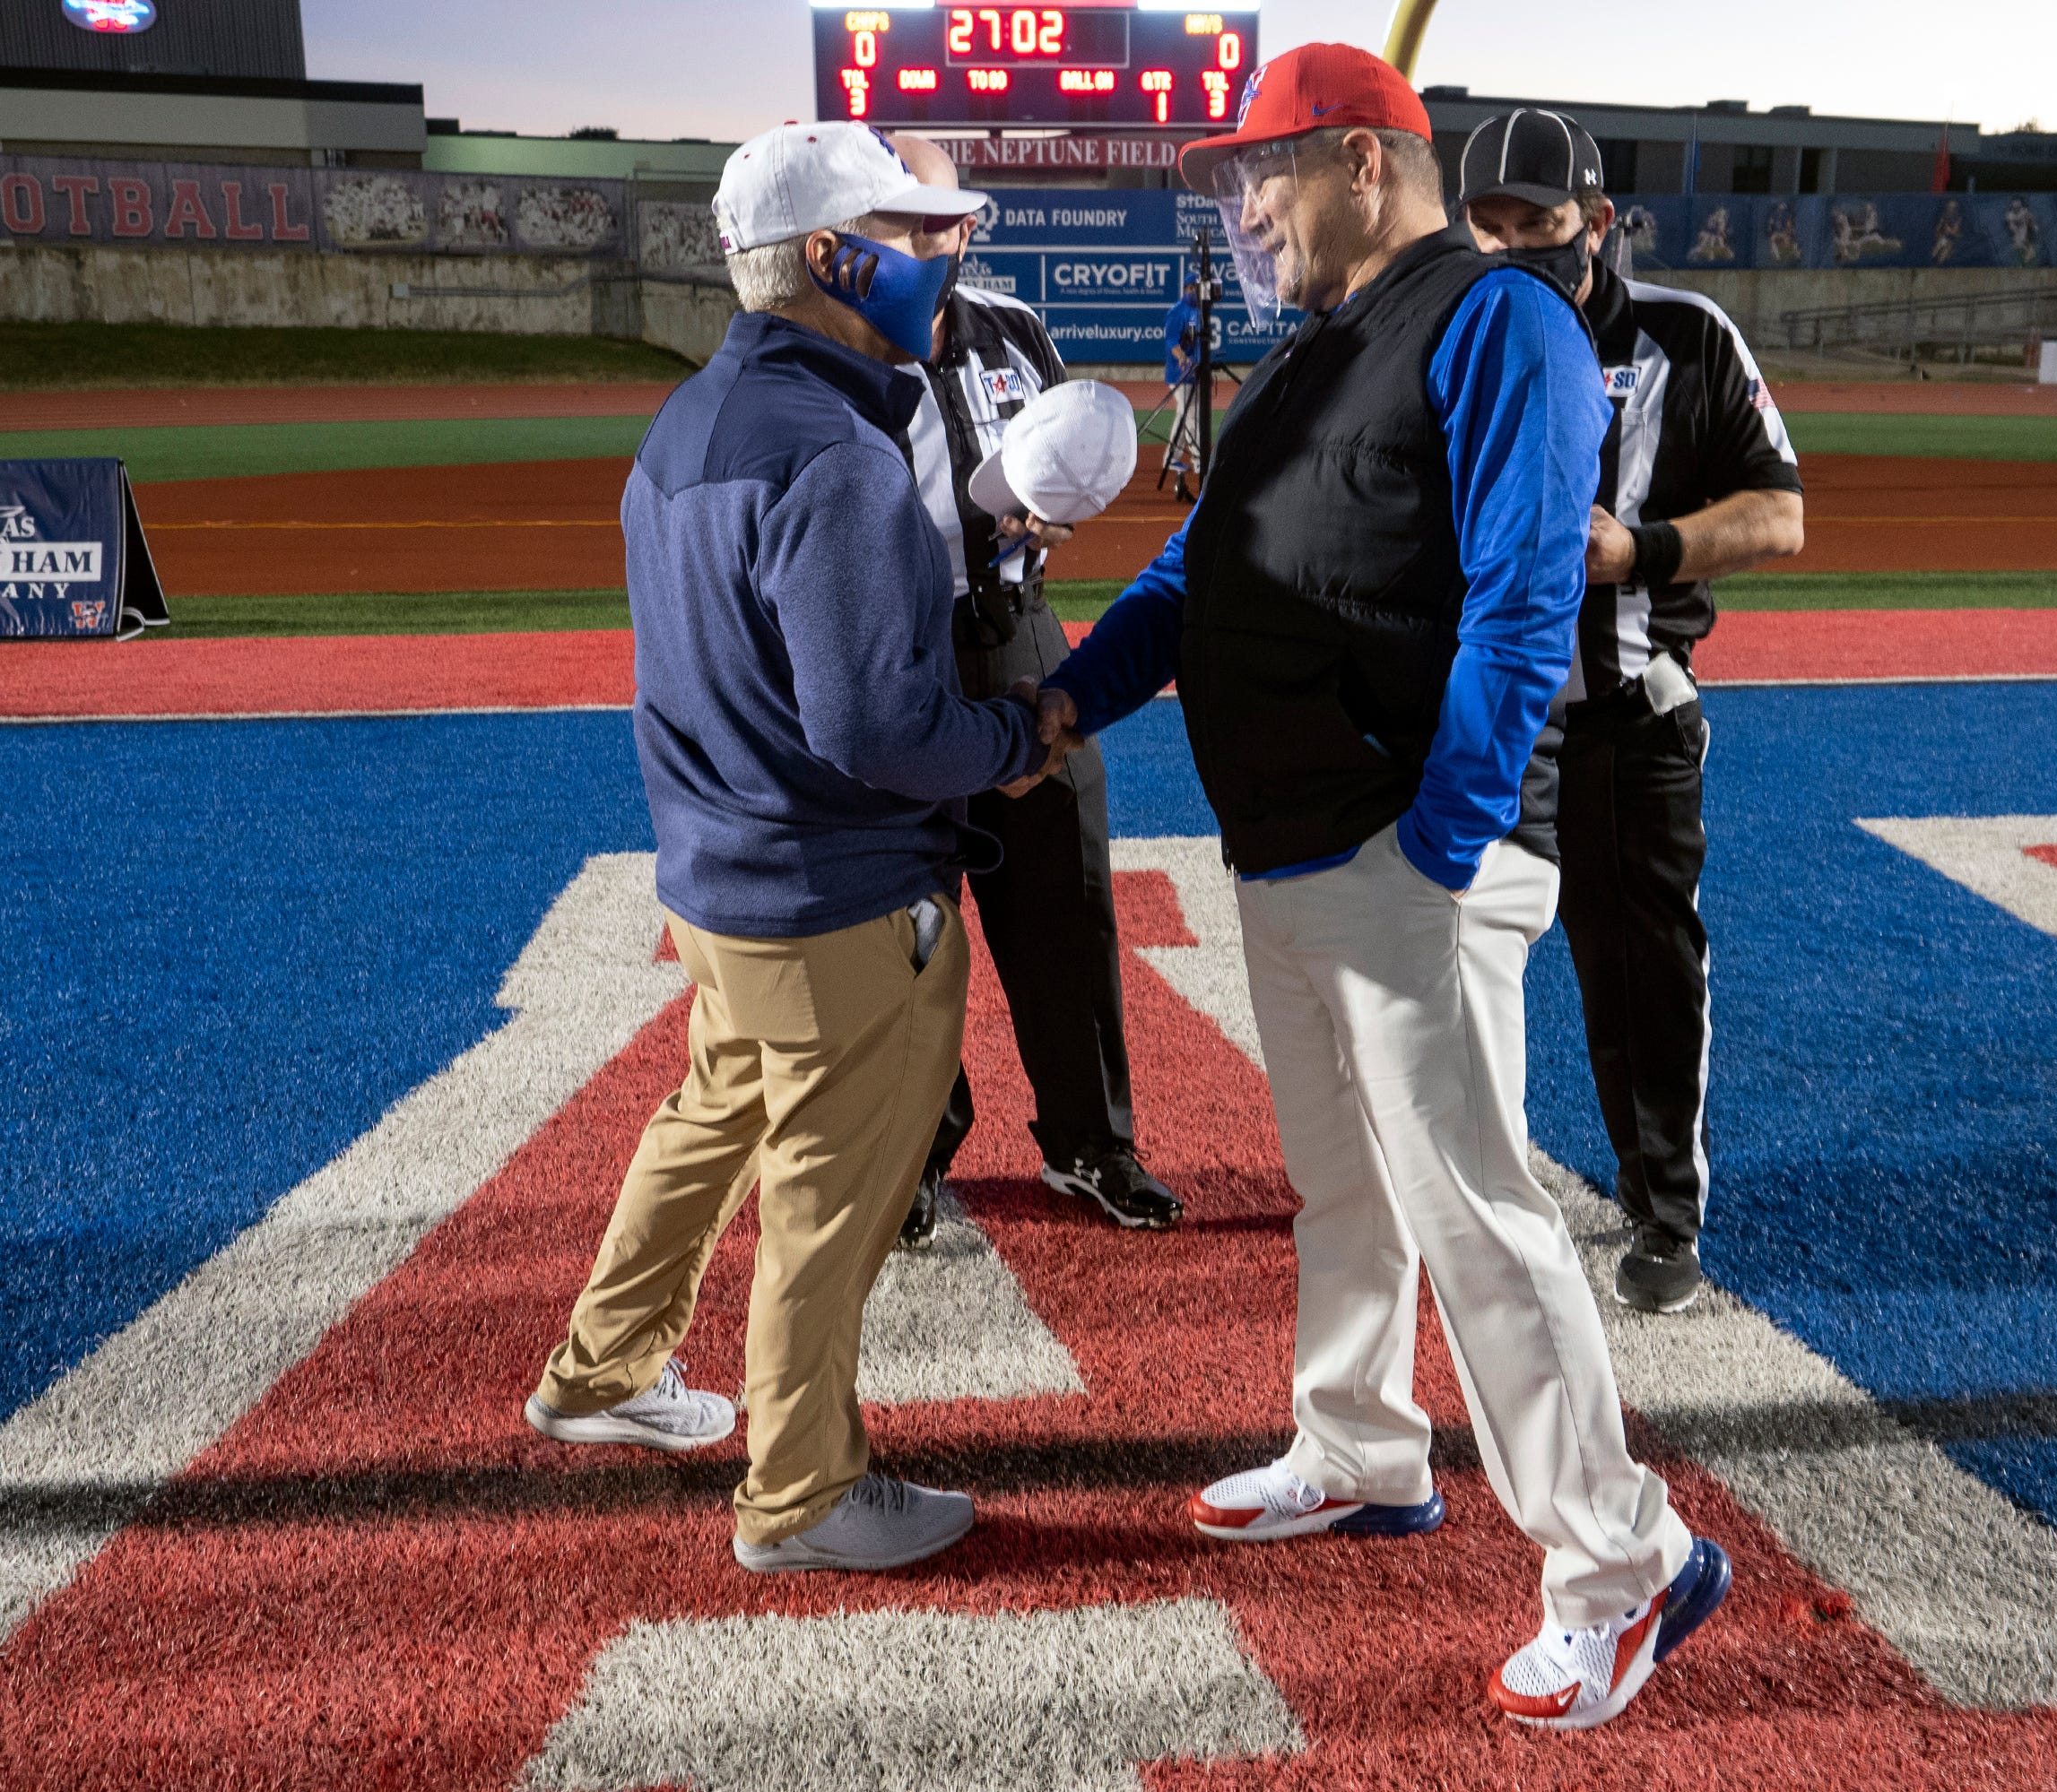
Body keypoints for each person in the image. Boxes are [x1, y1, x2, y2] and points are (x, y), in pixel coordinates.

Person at [1033, 43, 1731, 1731]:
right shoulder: (1305, 361)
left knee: (1476, 1211)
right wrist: (1060, 699)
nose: (1235, 210)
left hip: (1404, 852)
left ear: (1360, 161)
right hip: (1290, 848)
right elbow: (1196, 577)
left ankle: (1625, 1562)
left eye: (1253, 174)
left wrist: (1445, 836)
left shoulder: (1502, 322)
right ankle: (1360, 1444)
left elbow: (1518, 591)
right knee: (1343, 1185)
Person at [522, 121, 1066, 1575]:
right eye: (916, 231)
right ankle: (801, 1491)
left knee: (709, 1117)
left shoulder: (689, 420)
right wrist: (1016, 742)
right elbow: (875, 727)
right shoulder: (840, 452)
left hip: (717, 876)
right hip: (836, 893)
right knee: (831, 1195)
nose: (945, 254)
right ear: (833, 257)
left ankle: (602, 1366)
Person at [1459, 108, 1803, 1317]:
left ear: (1596, 224)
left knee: (1637, 967)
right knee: (1442, 959)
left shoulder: (1682, 335)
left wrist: (1644, 549)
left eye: (1537, 224)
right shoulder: (1440, 330)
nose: (1508, 248)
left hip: (1624, 715)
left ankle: (1664, 1205)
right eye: (1486, 224)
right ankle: (1435, 1188)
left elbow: (1779, 513)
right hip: (1475, 712)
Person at [852, 134, 1179, 1249]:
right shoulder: (835, 346)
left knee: (1065, 899)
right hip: (897, 650)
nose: (922, 242)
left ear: (968, 224)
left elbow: (1061, 466)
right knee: (904, 918)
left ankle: (1091, 1141)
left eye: (938, 220)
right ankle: (914, 1153)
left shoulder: (1016, 330)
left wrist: (1051, 518)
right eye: (894, 222)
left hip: (1018, 633)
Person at [1159, 277, 1206, 501]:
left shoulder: (1199, 311)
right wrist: (1182, 358)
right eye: (1191, 288)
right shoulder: (1178, 311)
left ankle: (1173, 458)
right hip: (1179, 374)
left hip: (1195, 373)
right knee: (1192, 417)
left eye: (1196, 288)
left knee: (1183, 415)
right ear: (1186, 289)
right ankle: (1199, 461)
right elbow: (1170, 341)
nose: (1194, 292)